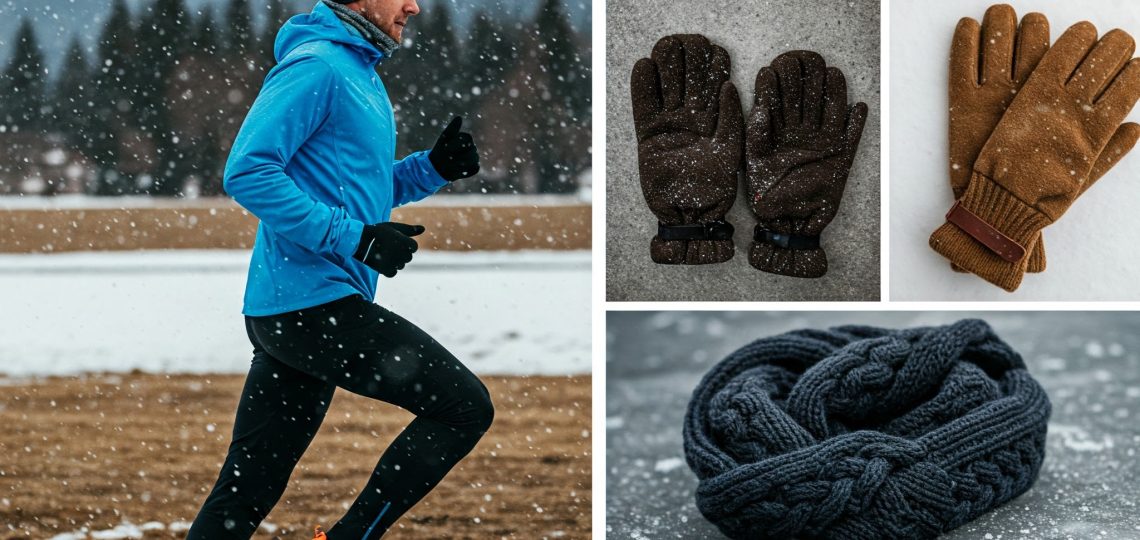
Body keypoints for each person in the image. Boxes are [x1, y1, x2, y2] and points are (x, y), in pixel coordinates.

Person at [186, 1, 493, 538]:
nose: (414, 5)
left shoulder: (359, 71)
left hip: (294, 309)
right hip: (313, 306)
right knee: (463, 408)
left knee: (249, 485)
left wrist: (430, 169)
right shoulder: (319, 66)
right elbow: (248, 171)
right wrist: (352, 238)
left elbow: (355, 186)